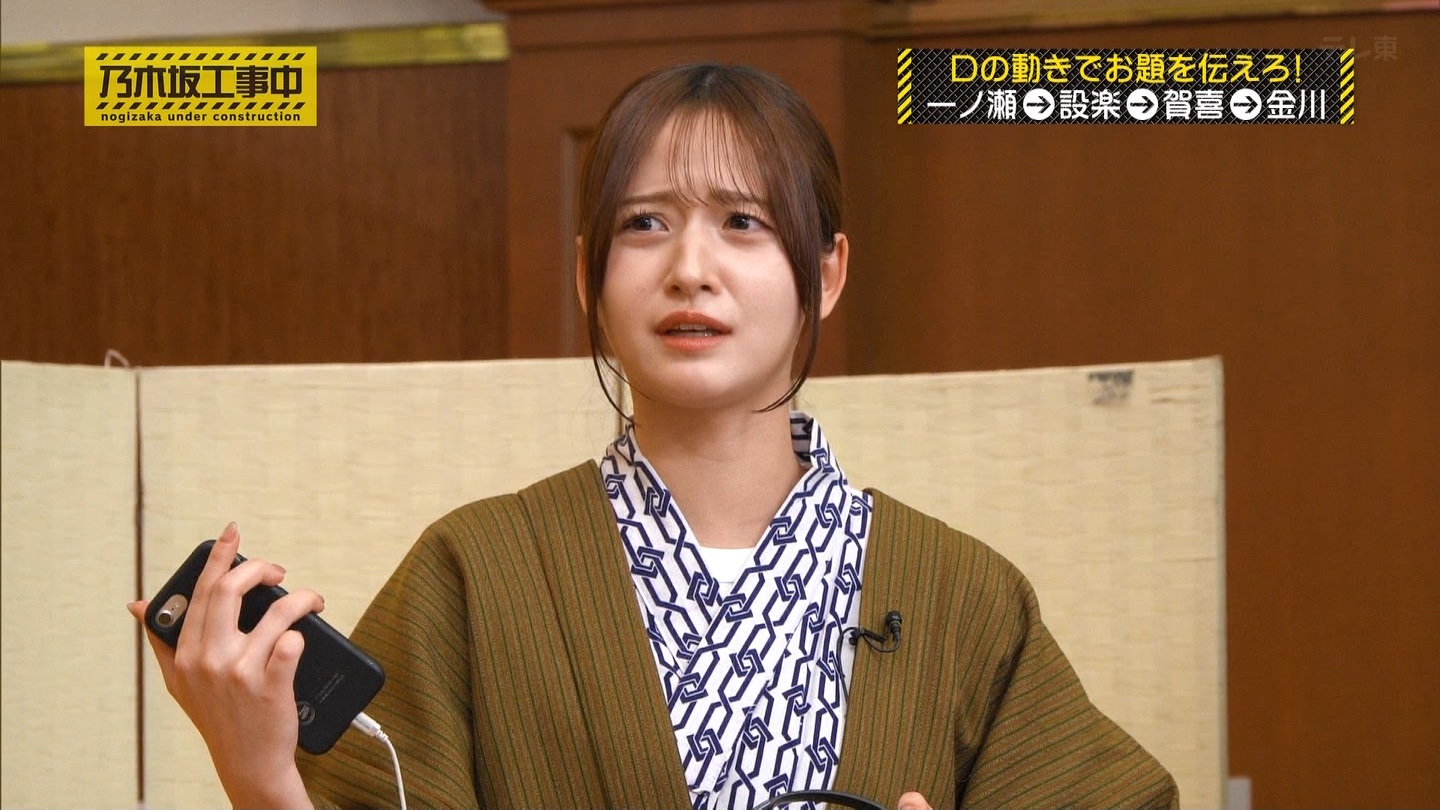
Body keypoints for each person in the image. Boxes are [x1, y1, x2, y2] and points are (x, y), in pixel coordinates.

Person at [128, 62, 1179, 810]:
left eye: (743, 222)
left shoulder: (961, 594)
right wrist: (258, 775)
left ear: (826, 272)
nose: (690, 270)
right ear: (589, 276)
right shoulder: (475, 572)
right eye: (645, 223)